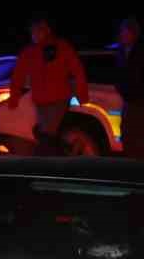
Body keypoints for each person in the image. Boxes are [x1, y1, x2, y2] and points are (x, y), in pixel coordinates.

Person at [8, 17, 88, 156]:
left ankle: (44, 162)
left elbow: (77, 70)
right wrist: (14, 97)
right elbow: (18, 75)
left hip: (59, 99)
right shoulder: (29, 52)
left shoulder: (61, 47)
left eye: (37, 31)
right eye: (32, 32)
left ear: (46, 31)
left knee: (47, 134)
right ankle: (68, 151)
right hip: (41, 101)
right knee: (45, 133)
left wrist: (82, 95)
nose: (34, 35)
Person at [114, 17, 144, 162]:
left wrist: (130, 90)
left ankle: (142, 168)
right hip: (130, 100)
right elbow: (120, 74)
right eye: (121, 32)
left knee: (139, 137)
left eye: (124, 32)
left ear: (133, 33)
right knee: (127, 135)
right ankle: (133, 166)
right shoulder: (122, 51)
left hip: (143, 101)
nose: (121, 35)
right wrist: (121, 88)